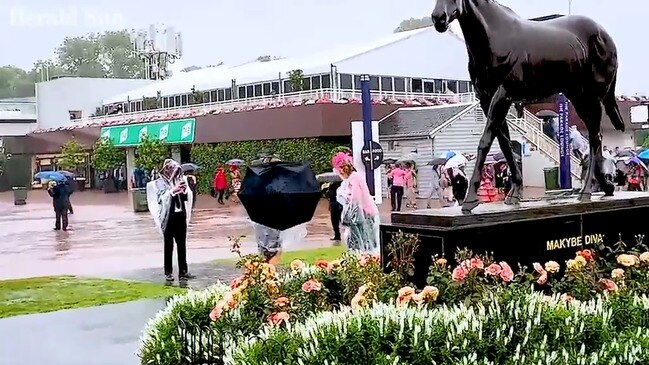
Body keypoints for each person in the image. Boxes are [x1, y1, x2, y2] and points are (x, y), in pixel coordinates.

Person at [146, 159, 195, 282]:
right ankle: (168, 272)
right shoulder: (160, 184)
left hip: (180, 217)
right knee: (168, 246)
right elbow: (160, 200)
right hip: (168, 218)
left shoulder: (179, 181)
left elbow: (186, 198)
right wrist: (172, 191)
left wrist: (184, 191)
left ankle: (183, 271)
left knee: (182, 245)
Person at [332, 151, 380, 253]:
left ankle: (366, 261)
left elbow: (355, 199)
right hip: (361, 215)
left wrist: (346, 200)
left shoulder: (354, 179)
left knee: (364, 242)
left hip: (364, 214)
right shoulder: (351, 179)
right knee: (360, 241)